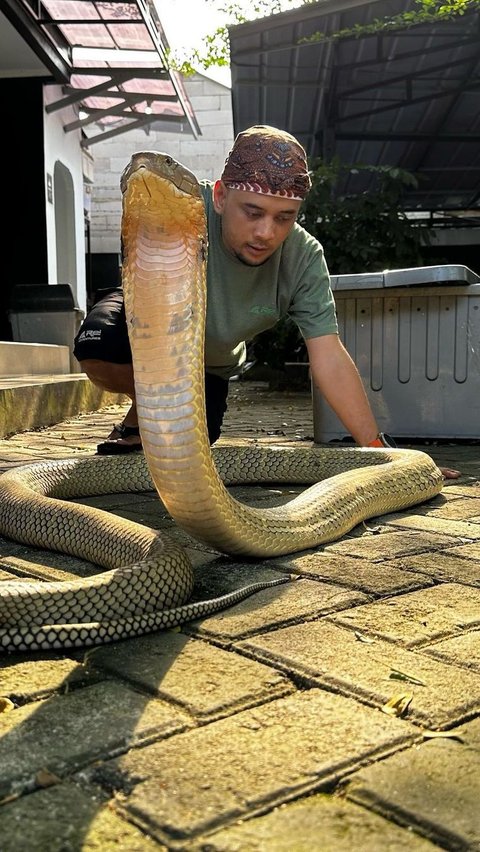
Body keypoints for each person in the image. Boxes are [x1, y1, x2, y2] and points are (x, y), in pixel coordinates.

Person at [73, 125, 458, 478]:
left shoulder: (303, 257)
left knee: (197, 436)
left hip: (208, 368)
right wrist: (167, 406)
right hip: (147, 320)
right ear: (221, 196)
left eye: (284, 218)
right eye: (253, 212)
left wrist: (381, 454)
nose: (265, 233)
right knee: (97, 345)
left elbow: (328, 356)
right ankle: (150, 413)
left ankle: (148, 422)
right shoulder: (187, 206)